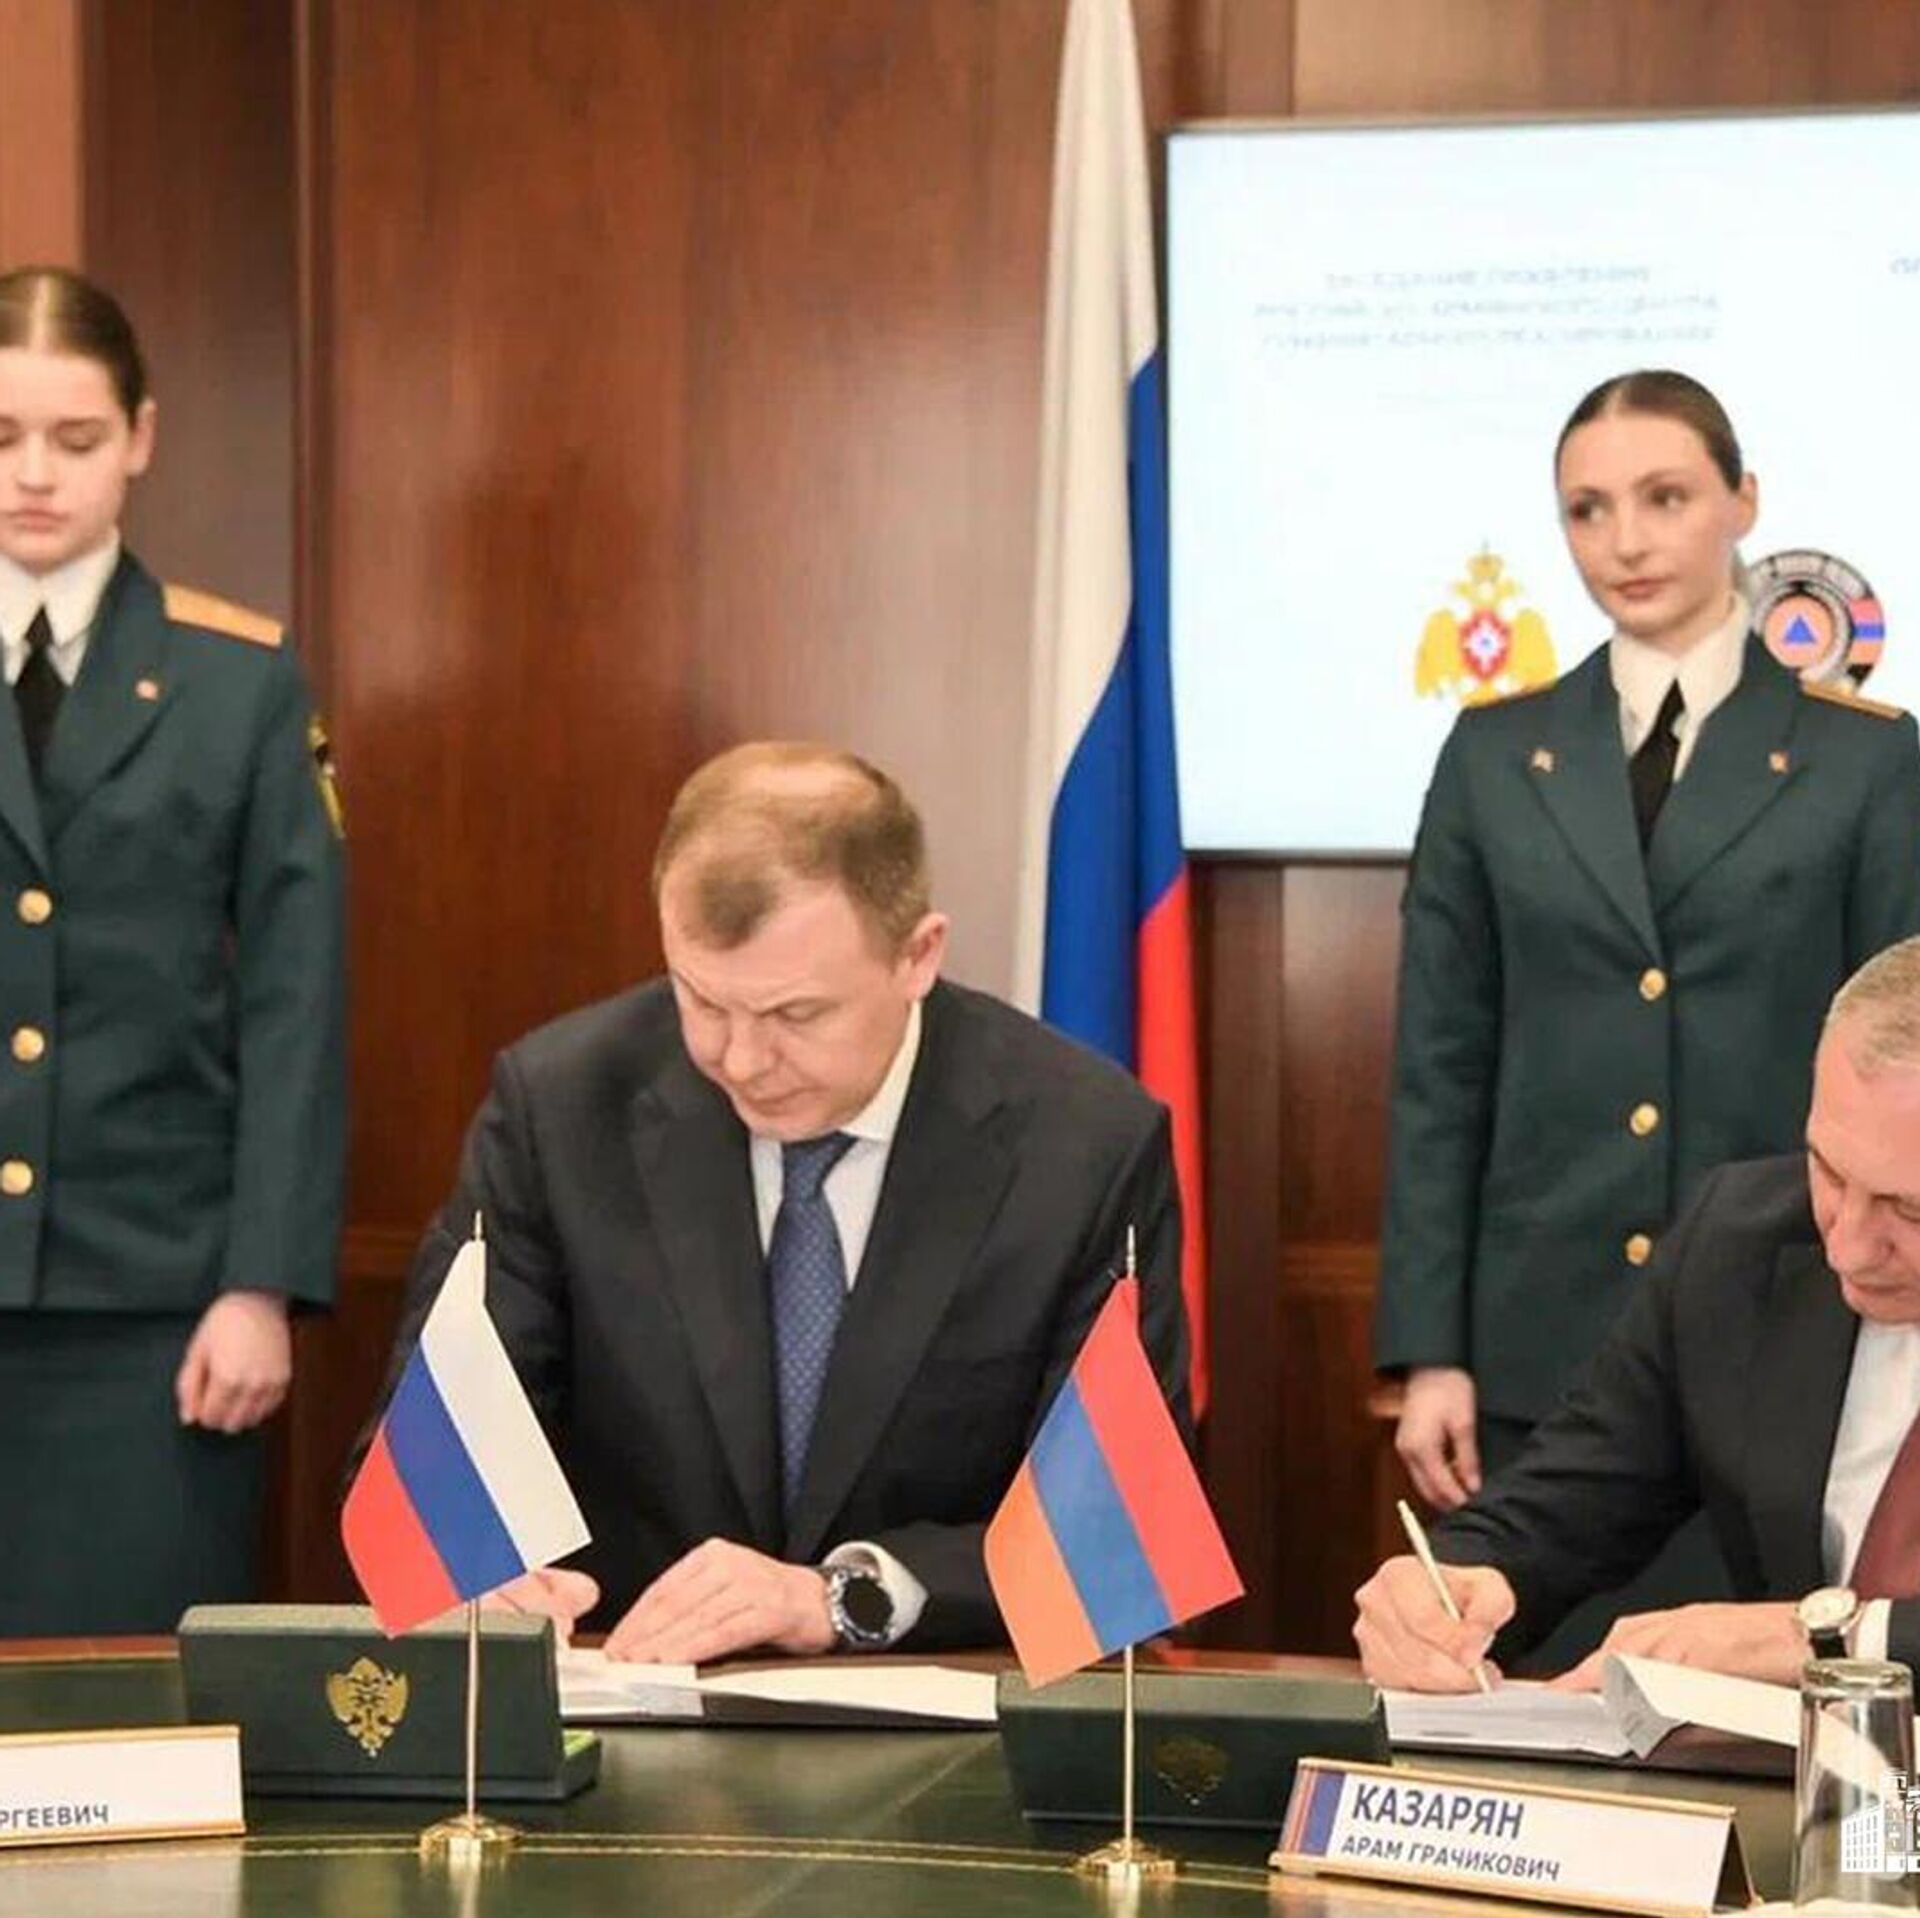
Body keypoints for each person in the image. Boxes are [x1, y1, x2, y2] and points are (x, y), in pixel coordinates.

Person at [362, 740, 1190, 1660]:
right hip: (629, 1687)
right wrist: (480, 1568)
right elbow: (436, 1459)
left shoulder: (1083, 1145)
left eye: (796, 1015)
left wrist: (839, 1597)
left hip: (941, 1703)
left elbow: (1111, 1534)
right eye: (702, 1002)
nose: (741, 1061)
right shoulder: (561, 1108)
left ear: (918, 955)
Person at [1376, 369, 1920, 1531]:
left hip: (1787, 1320)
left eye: (1665, 497)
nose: (1624, 541)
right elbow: (1440, 1066)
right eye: (1588, 508)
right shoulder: (1492, 755)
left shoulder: (1864, 759)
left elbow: (1902, 1055)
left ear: (1743, 500)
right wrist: (1432, 1351)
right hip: (1541, 1342)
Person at [0, 265, 346, 1634]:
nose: (35, 473)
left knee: (127, 1702)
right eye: (2, 436)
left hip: (154, 1308)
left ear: (140, 437)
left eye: (75, 437)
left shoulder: (237, 680)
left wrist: (262, 1281)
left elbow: (295, 1000)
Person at [1356, 935, 1920, 1691]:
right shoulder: (1740, 1245)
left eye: (1909, 1211)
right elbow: (1566, 1501)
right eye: (1829, 1170)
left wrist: (1824, 1636)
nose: (1846, 1246)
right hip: (1799, 1770)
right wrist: (1459, 1586)